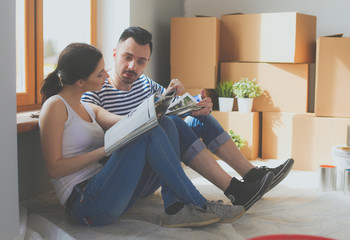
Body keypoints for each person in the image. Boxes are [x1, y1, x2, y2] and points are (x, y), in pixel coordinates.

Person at [82, 26, 293, 210]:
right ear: (114, 54)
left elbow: (170, 109)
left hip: (157, 166)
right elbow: (101, 144)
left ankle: (252, 176)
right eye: (127, 57)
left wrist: (193, 103)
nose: (132, 67)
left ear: (147, 62)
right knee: (170, 123)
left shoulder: (145, 84)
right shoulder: (95, 91)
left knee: (200, 119)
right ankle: (235, 190)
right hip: (128, 176)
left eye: (140, 61)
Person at [39, 42, 246, 228]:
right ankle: (198, 203)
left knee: (164, 122)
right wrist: (105, 150)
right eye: (100, 73)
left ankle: (175, 208)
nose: (105, 75)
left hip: (108, 189)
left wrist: (171, 102)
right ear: (80, 82)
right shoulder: (55, 106)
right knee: (148, 132)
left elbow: (130, 122)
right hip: (85, 203)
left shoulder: (88, 107)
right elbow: (54, 168)